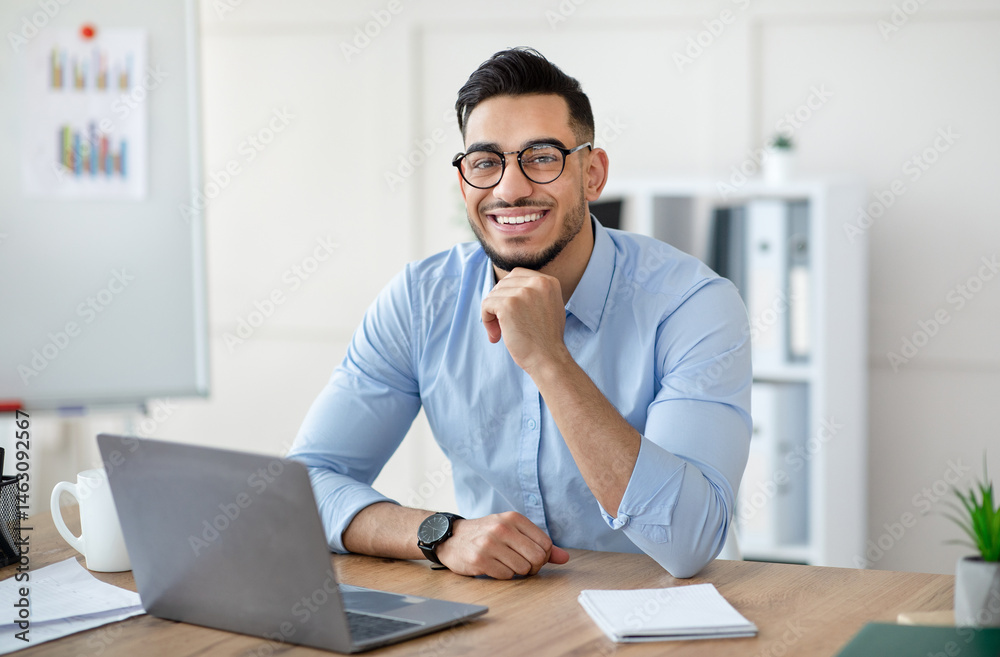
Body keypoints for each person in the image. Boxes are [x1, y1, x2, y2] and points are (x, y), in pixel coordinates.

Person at [288, 47, 751, 580]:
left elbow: (689, 540)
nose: (510, 189)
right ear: (465, 183)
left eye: (542, 156)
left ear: (592, 174)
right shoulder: (420, 300)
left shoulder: (693, 304)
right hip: (499, 617)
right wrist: (440, 533)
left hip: (663, 617)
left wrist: (549, 359)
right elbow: (307, 483)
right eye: (486, 162)